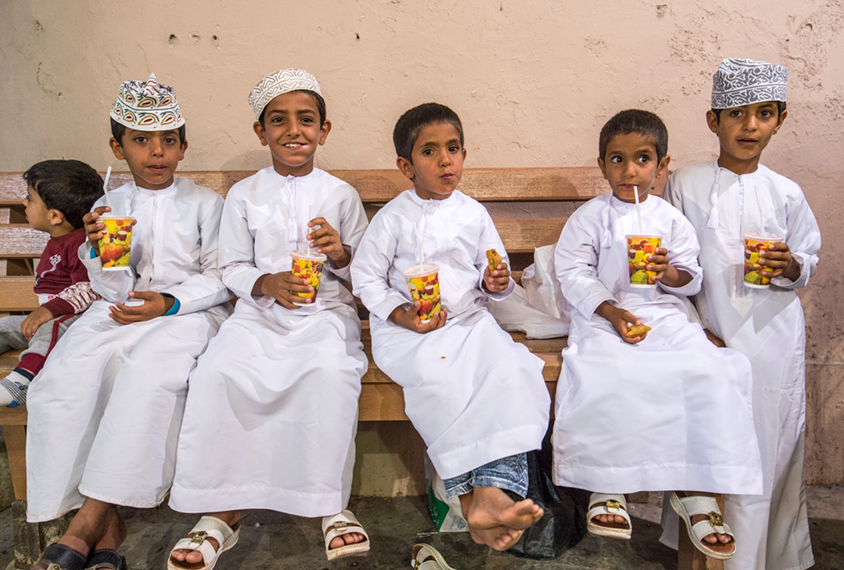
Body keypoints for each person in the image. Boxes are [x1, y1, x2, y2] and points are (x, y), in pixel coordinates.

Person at [26, 74, 232, 570]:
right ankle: (105, 526)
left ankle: (88, 524)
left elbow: (221, 277)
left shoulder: (206, 204)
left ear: (183, 146)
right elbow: (111, 288)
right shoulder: (107, 206)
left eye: (167, 140)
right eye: (141, 140)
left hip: (188, 313)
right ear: (118, 148)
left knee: (145, 378)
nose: (156, 152)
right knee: (61, 381)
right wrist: (100, 252)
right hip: (117, 312)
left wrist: (167, 302)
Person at [167, 69, 370, 570]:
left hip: (325, 313)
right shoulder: (245, 195)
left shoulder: (341, 195)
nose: (293, 130)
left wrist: (341, 254)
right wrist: (267, 283)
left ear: (325, 130)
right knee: (217, 373)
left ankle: (329, 506)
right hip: (259, 316)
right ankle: (219, 513)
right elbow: (232, 266)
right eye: (278, 121)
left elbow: (368, 270)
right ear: (261, 132)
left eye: (306, 120)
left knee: (327, 373)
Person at [551, 109, 763, 560]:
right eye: (618, 159)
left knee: (708, 367)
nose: (631, 171)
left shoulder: (670, 219)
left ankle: (697, 489)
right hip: (604, 315)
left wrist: (670, 272)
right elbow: (572, 273)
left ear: (662, 165)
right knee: (603, 370)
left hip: (665, 314)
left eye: (643, 159)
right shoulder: (591, 218)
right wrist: (610, 309)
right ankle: (607, 486)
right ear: (602, 165)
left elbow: (692, 277)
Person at [350, 102, 551, 552]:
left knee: (511, 373)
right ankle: (474, 498)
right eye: (430, 151)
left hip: (469, 323)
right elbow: (364, 278)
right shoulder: (393, 217)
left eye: (454, 148)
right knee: (443, 383)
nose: (445, 160)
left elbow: (491, 273)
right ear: (406, 165)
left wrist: (495, 282)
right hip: (409, 331)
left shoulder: (473, 213)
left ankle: (489, 498)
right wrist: (401, 314)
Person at [664, 58, 820, 570]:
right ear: (714, 121)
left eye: (764, 113)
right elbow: (675, 267)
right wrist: (694, 330)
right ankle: (703, 553)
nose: (749, 125)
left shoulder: (786, 192)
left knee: (766, 445)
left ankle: (758, 559)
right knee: (712, 443)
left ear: (780, 118)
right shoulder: (684, 183)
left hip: (773, 338)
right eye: (736, 113)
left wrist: (790, 264)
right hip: (708, 335)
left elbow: (807, 261)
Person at [0, 160, 103, 408]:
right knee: (5, 326)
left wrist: (48, 310)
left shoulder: (79, 243)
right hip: (50, 319)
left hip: (75, 321)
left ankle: (22, 382)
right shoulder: (58, 239)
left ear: (55, 216)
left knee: (50, 330)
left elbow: (89, 288)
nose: (24, 202)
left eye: (30, 198)